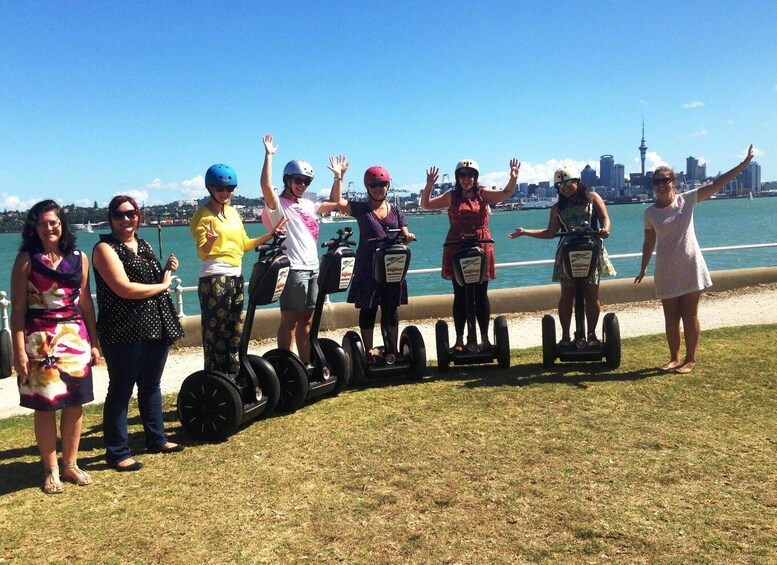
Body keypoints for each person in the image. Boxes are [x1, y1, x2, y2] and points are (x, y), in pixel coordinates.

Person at [635, 144, 755, 374]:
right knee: (671, 317)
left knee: (689, 315)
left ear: (674, 182)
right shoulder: (649, 213)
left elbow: (716, 185)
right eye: (657, 181)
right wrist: (642, 270)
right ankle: (674, 358)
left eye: (665, 179)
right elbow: (649, 243)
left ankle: (690, 359)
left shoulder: (687, 200)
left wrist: (743, 165)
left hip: (690, 266)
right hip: (666, 269)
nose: (661, 184)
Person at [10, 200, 100, 493]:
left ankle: (70, 464)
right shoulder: (26, 259)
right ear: (34, 228)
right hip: (39, 342)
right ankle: (50, 470)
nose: (49, 228)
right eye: (43, 223)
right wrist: (20, 350)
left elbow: (85, 302)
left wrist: (94, 343)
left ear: (62, 225)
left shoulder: (79, 257)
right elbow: (18, 309)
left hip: (75, 339)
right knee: (45, 407)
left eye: (55, 222)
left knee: (75, 404)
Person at [92, 195, 184, 472]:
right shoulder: (105, 248)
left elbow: (148, 281)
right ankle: (118, 451)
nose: (126, 219)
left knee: (151, 385)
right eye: (119, 215)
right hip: (123, 330)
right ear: (111, 218)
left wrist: (165, 272)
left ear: (138, 215)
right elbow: (124, 288)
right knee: (121, 390)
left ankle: (157, 439)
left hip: (155, 325)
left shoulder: (142, 244)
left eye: (131, 213)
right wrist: (163, 286)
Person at [191, 163, 286, 375]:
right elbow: (202, 252)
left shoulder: (233, 213)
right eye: (219, 188)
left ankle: (233, 375)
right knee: (215, 333)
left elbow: (244, 244)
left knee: (234, 329)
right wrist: (210, 241)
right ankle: (215, 377)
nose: (225, 193)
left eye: (230, 189)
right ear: (210, 188)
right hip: (215, 277)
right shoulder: (203, 215)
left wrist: (271, 234)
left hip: (235, 276)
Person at [508, 166, 615, 346]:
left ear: (577, 182)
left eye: (567, 182)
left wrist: (605, 230)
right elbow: (550, 233)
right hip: (567, 252)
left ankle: (591, 335)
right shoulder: (557, 208)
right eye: (559, 185)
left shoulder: (592, 198)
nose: (564, 187)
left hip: (591, 249)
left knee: (592, 294)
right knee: (567, 295)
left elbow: (605, 218)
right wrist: (525, 232)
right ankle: (565, 337)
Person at [421, 158, 520, 352]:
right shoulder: (452, 196)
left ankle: (484, 339)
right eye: (462, 175)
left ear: (476, 177)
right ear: (458, 177)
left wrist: (513, 178)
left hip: (481, 244)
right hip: (457, 245)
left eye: (470, 175)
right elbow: (426, 205)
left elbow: (505, 193)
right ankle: (459, 340)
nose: (466, 179)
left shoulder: (483, 194)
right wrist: (429, 185)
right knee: (460, 295)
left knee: (481, 294)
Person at [260, 134, 342, 364]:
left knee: (306, 322)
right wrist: (269, 156)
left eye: (307, 181)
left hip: (313, 269)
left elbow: (336, 202)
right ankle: (286, 365)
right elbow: (266, 185)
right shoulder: (278, 206)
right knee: (289, 321)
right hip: (294, 269)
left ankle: (304, 366)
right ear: (287, 179)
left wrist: (338, 178)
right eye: (298, 180)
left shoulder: (308, 204)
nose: (303, 185)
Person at [330, 164, 416, 363]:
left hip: (393, 266)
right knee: (368, 309)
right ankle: (368, 351)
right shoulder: (362, 209)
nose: (378, 188)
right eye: (374, 185)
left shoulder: (396, 211)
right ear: (367, 187)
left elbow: (404, 233)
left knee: (391, 308)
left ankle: (392, 348)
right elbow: (337, 202)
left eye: (382, 184)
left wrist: (408, 237)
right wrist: (338, 177)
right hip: (368, 267)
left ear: (387, 186)